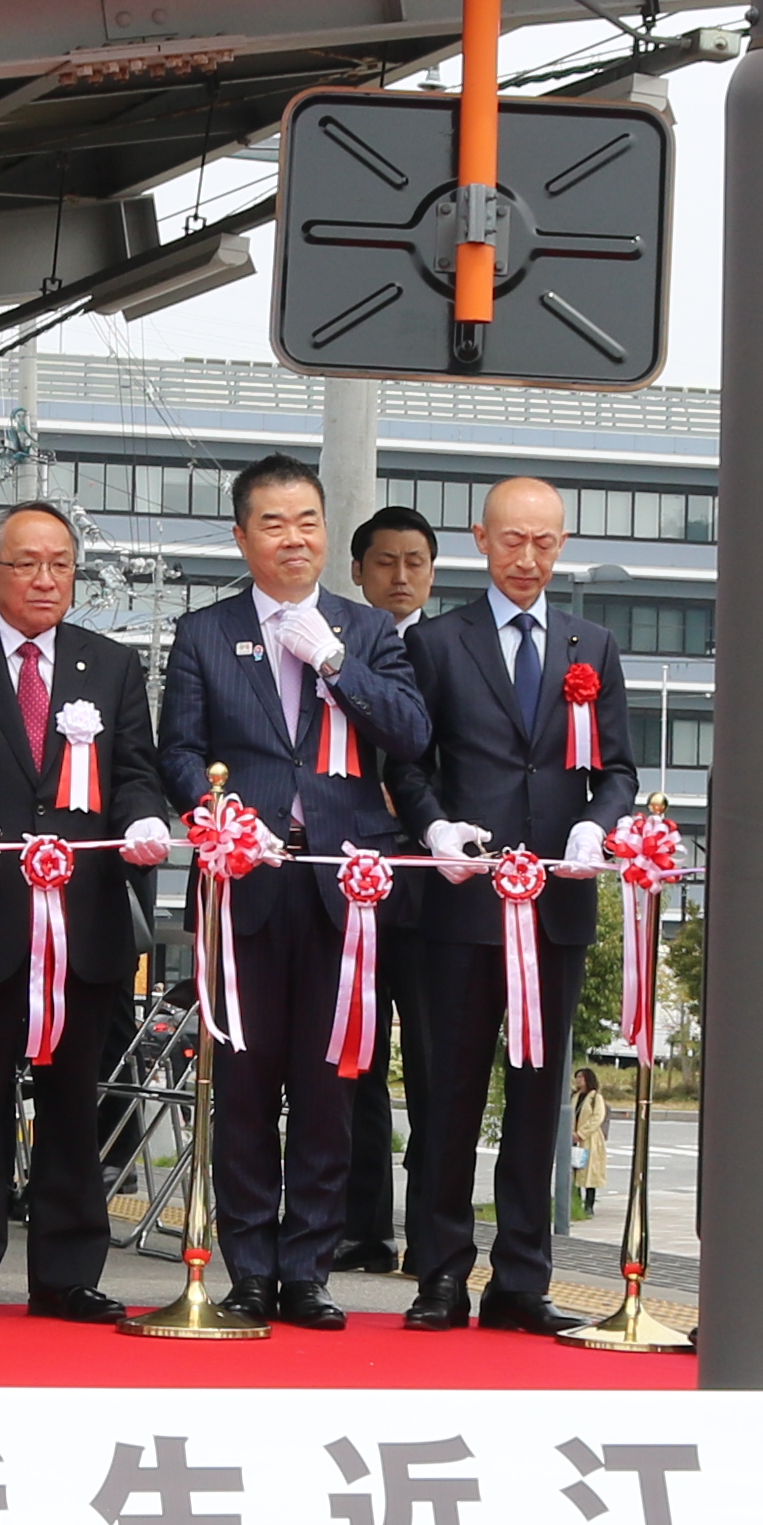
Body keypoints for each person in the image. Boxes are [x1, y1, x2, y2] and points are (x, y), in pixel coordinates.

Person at [154, 454, 429, 1326]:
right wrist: (223, 813)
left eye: (307, 519)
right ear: (242, 537)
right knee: (241, 1082)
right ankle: (250, 1269)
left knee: (329, 1083)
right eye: (273, 523)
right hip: (244, 882)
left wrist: (339, 663)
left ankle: (308, 1265)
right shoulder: (205, 631)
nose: (295, 537)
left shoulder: (367, 627)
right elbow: (179, 751)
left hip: (343, 888)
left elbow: (413, 733)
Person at [0, 498, 174, 1324]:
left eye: (61, 563)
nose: (47, 577)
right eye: (27, 562)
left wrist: (142, 818)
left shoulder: (110, 664)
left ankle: (67, 1275)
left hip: (83, 928)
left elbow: (134, 770)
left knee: (76, 1109)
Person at [398, 475, 641, 1338]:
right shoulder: (436, 643)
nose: (528, 558)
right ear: (481, 539)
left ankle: (522, 1279)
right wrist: (433, 829)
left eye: (544, 542)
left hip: (555, 909)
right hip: (462, 906)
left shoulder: (593, 644)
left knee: (539, 1099)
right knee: (449, 1096)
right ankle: (439, 1275)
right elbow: (409, 763)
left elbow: (616, 768)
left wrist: (596, 828)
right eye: (513, 541)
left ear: (562, 544)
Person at [335, 505, 445, 1274]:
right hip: (353, 883)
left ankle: (432, 1235)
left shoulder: (452, 651)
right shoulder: (329, 646)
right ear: (358, 571)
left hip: (438, 886)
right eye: (384, 562)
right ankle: (358, 1226)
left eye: (414, 562)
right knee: (354, 1061)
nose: (400, 577)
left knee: (439, 1067)